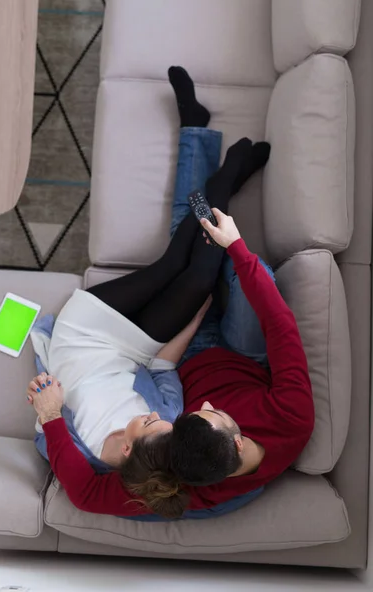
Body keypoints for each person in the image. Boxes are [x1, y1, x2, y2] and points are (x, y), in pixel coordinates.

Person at [27, 67, 314, 520]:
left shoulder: (177, 470)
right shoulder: (291, 422)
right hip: (245, 353)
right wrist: (236, 249)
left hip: (174, 352)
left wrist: (52, 416)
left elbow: (85, 493)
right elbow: (280, 326)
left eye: (194, 417)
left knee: (189, 244)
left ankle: (199, 133)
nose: (201, 405)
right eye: (211, 414)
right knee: (243, 270)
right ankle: (226, 194)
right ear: (237, 439)